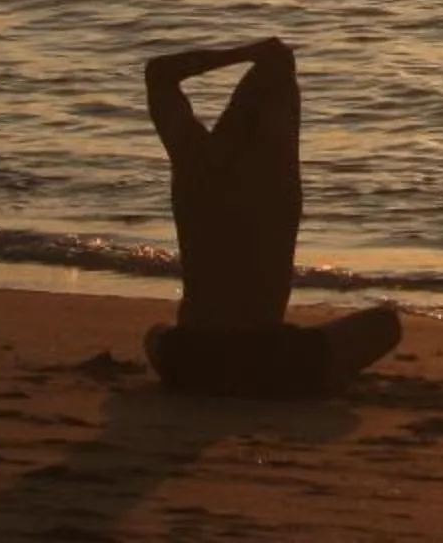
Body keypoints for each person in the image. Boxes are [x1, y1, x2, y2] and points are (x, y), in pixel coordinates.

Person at [140, 37, 401, 398]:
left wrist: (243, 54)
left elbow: (159, 74)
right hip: (267, 358)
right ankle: (285, 381)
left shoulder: (192, 158)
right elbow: (279, 106)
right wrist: (272, 65)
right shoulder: (278, 177)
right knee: (386, 324)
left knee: (155, 335)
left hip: (190, 358)